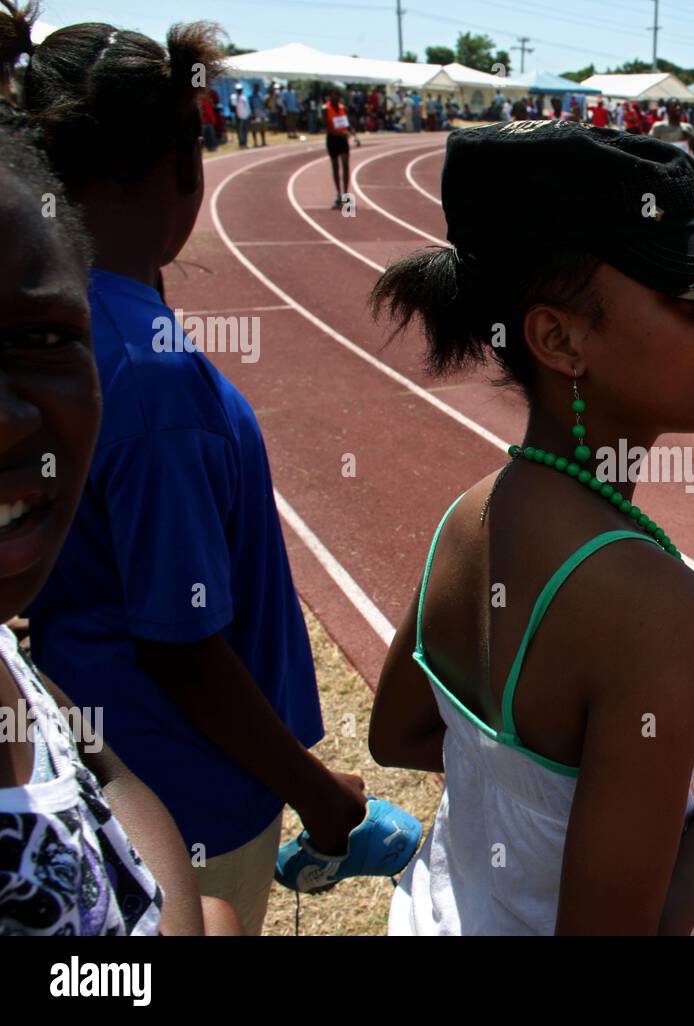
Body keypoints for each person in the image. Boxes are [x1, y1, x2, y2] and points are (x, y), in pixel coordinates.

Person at [8, 11, 415, 937]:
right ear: (186, 169)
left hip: (103, 749)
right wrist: (322, 799)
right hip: (185, 793)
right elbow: (181, 647)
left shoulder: (59, 320)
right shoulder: (150, 374)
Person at [369, 119, 694, 934]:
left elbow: (399, 732)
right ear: (559, 338)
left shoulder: (472, 515)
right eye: (690, 300)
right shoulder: (653, 607)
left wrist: (561, 798)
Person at [0, 87, 247, 937]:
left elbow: (97, 773)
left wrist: (180, 918)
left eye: (43, 339)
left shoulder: (7, 649)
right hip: (213, 779)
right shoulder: (156, 373)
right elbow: (180, 642)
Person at [323, 88, 356, 210]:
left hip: (343, 140)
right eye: (334, 95)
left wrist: (353, 133)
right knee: (335, 167)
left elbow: (346, 124)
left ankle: (346, 195)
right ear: (330, 96)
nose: (336, 98)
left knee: (346, 165)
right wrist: (340, 133)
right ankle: (338, 193)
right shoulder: (325, 109)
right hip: (332, 140)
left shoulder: (343, 108)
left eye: (338, 96)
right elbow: (327, 128)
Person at [231, 80, 250, 148]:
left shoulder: (244, 96)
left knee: (245, 130)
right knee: (240, 130)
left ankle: (245, 143)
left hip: (246, 116)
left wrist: (248, 114)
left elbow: (247, 106)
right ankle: (241, 143)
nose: (240, 91)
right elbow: (233, 106)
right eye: (238, 90)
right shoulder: (233, 97)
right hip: (239, 116)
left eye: (240, 90)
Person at [249, 80, 268, 147]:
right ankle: (255, 142)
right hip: (255, 114)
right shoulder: (251, 97)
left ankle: (263, 141)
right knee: (254, 129)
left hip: (262, 114)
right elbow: (250, 106)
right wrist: (252, 115)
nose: (257, 89)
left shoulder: (261, 95)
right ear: (254, 88)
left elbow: (264, 105)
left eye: (258, 87)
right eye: (255, 87)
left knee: (262, 128)